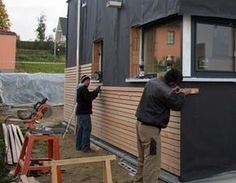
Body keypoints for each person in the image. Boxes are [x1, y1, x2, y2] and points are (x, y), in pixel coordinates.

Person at [133, 69, 190, 183]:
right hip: (151, 131)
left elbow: (163, 93)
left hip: (140, 125)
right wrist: (183, 94)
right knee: (152, 161)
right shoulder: (167, 92)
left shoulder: (152, 82)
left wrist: (172, 90)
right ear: (173, 83)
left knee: (143, 158)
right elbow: (177, 104)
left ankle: (138, 180)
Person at [75, 75, 101, 152]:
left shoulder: (80, 89)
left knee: (81, 130)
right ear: (84, 81)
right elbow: (88, 98)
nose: (89, 82)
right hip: (84, 113)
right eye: (87, 80)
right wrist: (96, 92)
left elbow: (87, 96)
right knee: (87, 129)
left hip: (80, 113)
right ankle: (85, 147)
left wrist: (94, 92)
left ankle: (79, 146)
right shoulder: (83, 89)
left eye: (89, 80)